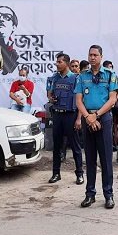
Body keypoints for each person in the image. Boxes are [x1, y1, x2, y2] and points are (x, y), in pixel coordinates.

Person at [75, 45, 118, 209]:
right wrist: (88, 117)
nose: (92, 57)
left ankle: (108, 195)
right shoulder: (82, 77)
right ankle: (90, 194)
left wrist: (97, 115)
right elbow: (78, 100)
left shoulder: (110, 75)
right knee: (90, 158)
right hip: (88, 119)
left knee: (107, 159)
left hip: (104, 119)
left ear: (101, 57)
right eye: (90, 54)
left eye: (95, 55)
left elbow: (112, 100)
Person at [47, 53, 84, 184]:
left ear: (66, 63)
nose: (57, 64)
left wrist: (79, 118)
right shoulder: (54, 78)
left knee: (75, 146)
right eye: (56, 62)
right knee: (56, 146)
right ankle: (56, 173)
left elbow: (80, 100)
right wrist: (51, 98)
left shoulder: (75, 79)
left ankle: (79, 174)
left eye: (59, 62)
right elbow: (50, 94)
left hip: (71, 115)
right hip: (57, 114)